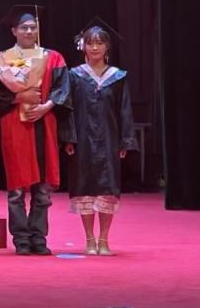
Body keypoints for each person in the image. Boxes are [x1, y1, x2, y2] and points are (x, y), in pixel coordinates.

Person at [0, 5, 69, 256]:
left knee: (43, 189)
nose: (28, 31)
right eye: (23, 27)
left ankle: (38, 237)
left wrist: (45, 107)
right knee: (16, 190)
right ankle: (21, 239)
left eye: (33, 27)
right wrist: (18, 97)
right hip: (15, 127)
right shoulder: (1, 59)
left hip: (43, 125)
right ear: (14, 31)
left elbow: (62, 89)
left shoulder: (53, 57)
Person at [60, 18, 138, 256]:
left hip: (109, 139)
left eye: (99, 43)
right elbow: (68, 109)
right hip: (82, 140)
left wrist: (125, 140)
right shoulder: (75, 76)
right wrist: (69, 138)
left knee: (107, 188)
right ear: (83, 46)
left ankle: (104, 239)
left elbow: (124, 110)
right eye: (90, 43)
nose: (95, 47)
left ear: (107, 47)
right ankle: (89, 239)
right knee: (84, 187)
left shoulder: (117, 77)